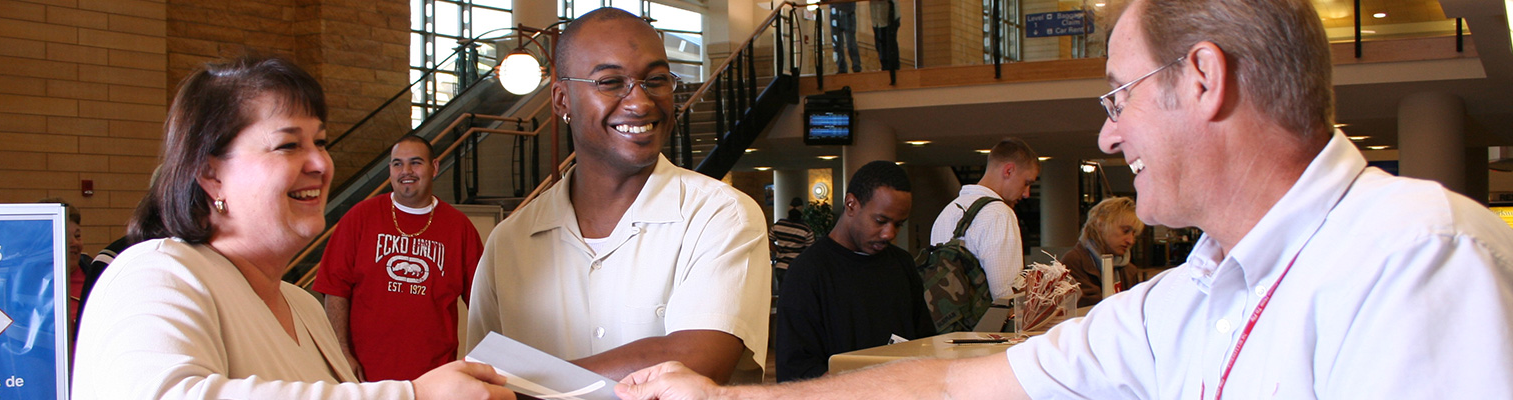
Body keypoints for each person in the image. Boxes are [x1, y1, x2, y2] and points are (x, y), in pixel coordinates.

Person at [610, 0, 1513, 398]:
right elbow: (962, 385)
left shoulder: (1417, 257)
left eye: (1116, 97)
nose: (1111, 137)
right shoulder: (1192, 293)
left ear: (1201, 78)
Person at [73, 55, 512, 400]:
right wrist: (411, 395)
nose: (321, 163)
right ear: (210, 175)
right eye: (288, 145)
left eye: (320, 142)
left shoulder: (302, 306)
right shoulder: (156, 274)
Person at [465, 7, 771, 385]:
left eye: (656, 79)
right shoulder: (509, 243)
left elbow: (693, 364)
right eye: (610, 82)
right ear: (562, 100)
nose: (640, 102)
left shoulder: (720, 215)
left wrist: (523, 383)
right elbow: (480, 381)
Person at [314, 135, 484, 382]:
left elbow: (482, 301)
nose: (406, 171)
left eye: (415, 163)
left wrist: (484, 360)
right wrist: (341, 352)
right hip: (366, 375)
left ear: (434, 167)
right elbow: (335, 291)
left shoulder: (459, 228)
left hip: (433, 376)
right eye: (397, 164)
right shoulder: (360, 217)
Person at [774, 161, 934, 382]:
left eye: (899, 224)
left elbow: (925, 342)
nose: (889, 233)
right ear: (851, 204)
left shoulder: (902, 263)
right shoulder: (808, 272)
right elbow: (795, 371)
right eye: (881, 220)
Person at [929, 138, 1039, 324]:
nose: (1027, 193)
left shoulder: (948, 211)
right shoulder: (1000, 213)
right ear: (1009, 170)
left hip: (945, 326)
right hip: (984, 334)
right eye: (1026, 182)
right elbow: (1005, 295)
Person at [1060, 196, 1144, 307]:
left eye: (1134, 234)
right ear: (1101, 225)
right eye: (1125, 231)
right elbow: (1091, 307)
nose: (1131, 241)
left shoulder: (1129, 269)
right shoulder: (1074, 262)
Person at [39, 198, 93, 340]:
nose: (74, 243)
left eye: (77, 236)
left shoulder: (98, 276)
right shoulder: (27, 285)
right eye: (63, 236)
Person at [769, 197, 814, 288]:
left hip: (780, 266)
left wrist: (777, 251)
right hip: (796, 268)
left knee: (782, 295)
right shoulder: (806, 229)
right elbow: (810, 250)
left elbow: (769, 240)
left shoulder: (779, 224)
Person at [828, 1, 862, 74]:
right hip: (835, 10)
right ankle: (842, 67)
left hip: (847, 10)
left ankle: (856, 65)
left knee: (850, 41)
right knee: (837, 41)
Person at [869, 0, 899, 71]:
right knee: (879, 46)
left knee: (890, 46)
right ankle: (885, 69)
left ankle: (894, 71)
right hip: (876, 17)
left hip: (890, 15)